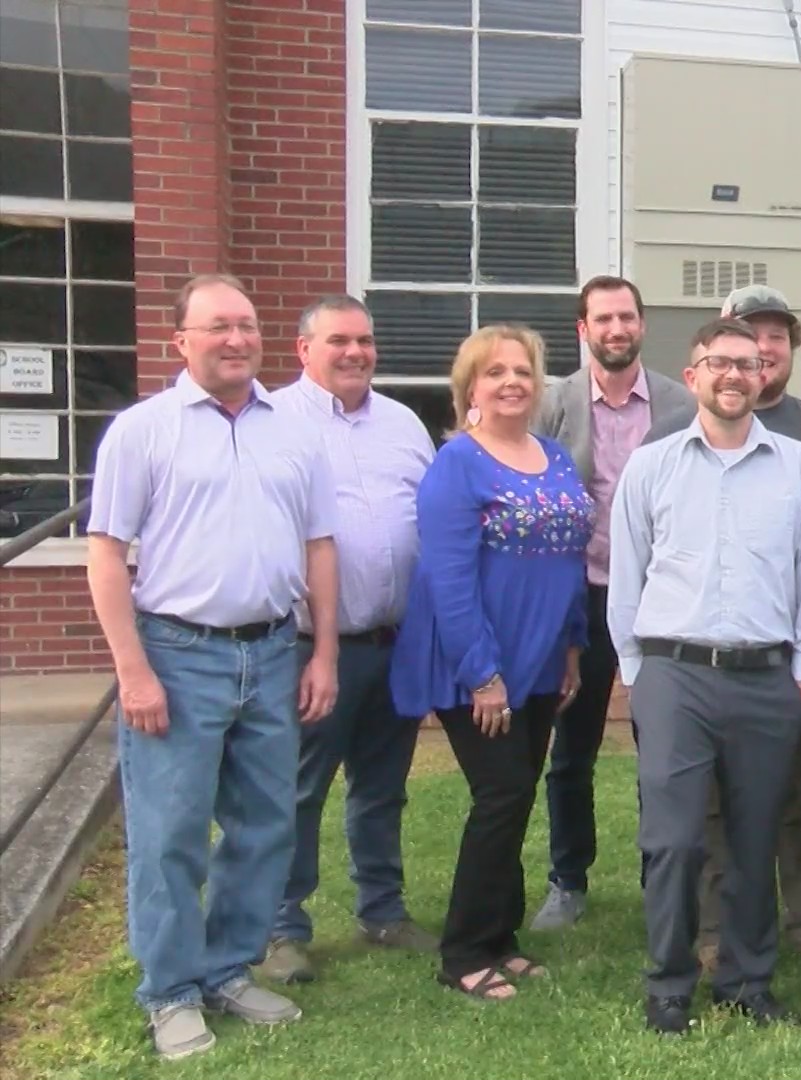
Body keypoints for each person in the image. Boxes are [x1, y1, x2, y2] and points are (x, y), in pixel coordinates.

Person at [85, 273, 339, 1060]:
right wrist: (133, 670)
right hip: (177, 654)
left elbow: (319, 546)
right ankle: (169, 991)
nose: (237, 339)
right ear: (181, 342)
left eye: (247, 324)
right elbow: (104, 552)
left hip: (270, 653)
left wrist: (322, 649)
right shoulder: (143, 430)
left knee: (265, 824)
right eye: (218, 326)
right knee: (171, 834)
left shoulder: (293, 432)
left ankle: (228, 966)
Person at [607, 317, 801, 1034]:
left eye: (749, 362)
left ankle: (745, 979)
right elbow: (627, 571)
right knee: (673, 839)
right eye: (720, 362)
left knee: (754, 834)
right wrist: (635, 671)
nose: (736, 374)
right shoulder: (654, 465)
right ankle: (670, 983)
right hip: (675, 673)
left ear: (766, 374)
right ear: (695, 373)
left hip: (767, 679)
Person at [390, 324, 592, 1001]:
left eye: (524, 371)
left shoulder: (557, 457)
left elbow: (568, 561)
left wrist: (571, 648)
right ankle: (464, 951)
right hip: (474, 662)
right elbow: (448, 578)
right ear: (470, 387)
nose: (512, 382)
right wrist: (482, 674)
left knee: (517, 796)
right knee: (500, 795)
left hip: (541, 658)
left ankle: (502, 936)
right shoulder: (458, 464)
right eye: (495, 371)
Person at [258, 296, 438, 984]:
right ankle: (282, 927)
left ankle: (382, 910)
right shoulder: (272, 422)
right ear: (304, 350)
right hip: (311, 648)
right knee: (298, 789)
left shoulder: (402, 424)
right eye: (339, 341)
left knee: (382, 785)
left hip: (394, 644)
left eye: (365, 340)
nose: (356, 353)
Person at [649, 284, 801, 971]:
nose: (764, 347)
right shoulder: (674, 437)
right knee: (713, 806)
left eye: (777, 334)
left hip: (786, 656)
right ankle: (714, 930)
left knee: (799, 796)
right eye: (752, 334)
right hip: (699, 663)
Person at [528, 276, 693, 932]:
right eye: (603, 319)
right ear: (583, 329)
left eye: (627, 316)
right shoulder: (553, 402)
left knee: (665, 745)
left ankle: (665, 874)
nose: (616, 329)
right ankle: (568, 879)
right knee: (573, 747)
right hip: (583, 597)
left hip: (663, 600)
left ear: (642, 325)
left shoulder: (680, 404)